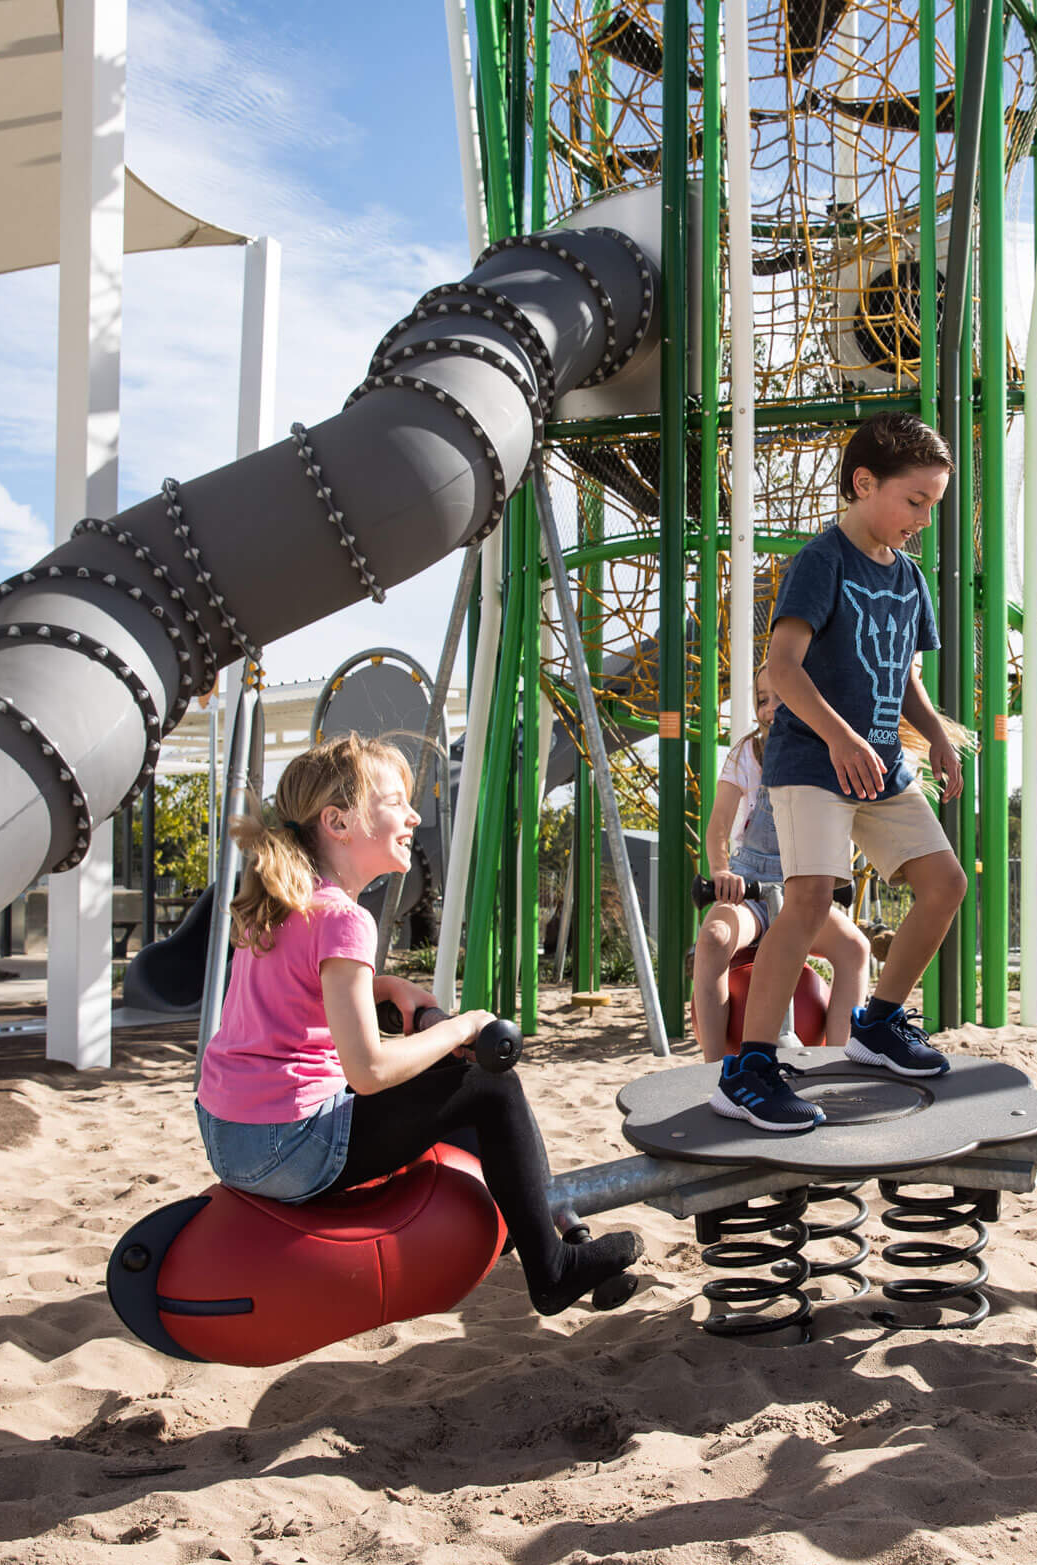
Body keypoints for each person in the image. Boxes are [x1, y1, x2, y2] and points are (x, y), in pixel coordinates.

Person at [195, 732, 641, 1315]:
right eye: (395, 802)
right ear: (339, 821)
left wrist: (387, 988)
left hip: (229, 1135)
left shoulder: (290, 901)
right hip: (290, 1148)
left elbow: (295, 998)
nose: (412, 815)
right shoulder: (345, 920)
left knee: (447, 1086)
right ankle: (554, 1269)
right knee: (488, 1084)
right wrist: (459, 1028)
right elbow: (370, 1070)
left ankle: (522, 1226)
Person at [712, 412, 970, 1132]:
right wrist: (841, 738)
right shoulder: (823, 560)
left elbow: (904, 676)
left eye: (932, 506)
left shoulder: (910, 576)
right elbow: (781, 670)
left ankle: (878, 1022)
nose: (922, 518)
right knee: (809, 900)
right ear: (865, 484)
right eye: (914, 501)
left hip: (881, 766)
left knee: (945, 883)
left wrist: (937, 736)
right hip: (814, 761)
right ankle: (749, 1069)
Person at [693, 664, 874, 1063]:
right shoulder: (748, 753)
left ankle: (840, 1063)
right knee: (713, 941)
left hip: (802, 890)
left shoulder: (827, 753)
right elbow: (719, 825)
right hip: (752, 887)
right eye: (762, 700)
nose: (771, 708)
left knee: (855, 949)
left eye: (781, 697)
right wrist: (722, 872)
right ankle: (711, 1067)